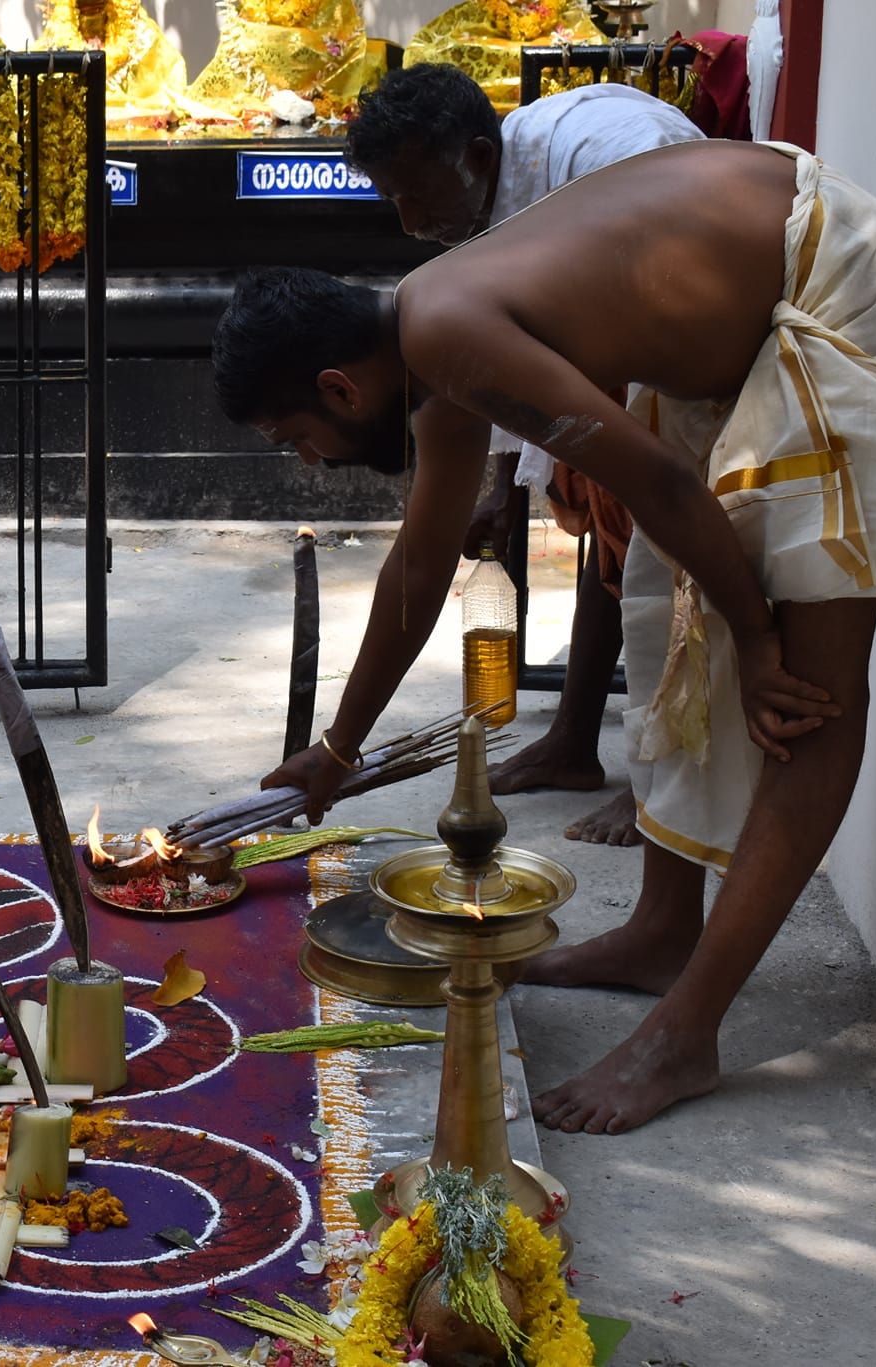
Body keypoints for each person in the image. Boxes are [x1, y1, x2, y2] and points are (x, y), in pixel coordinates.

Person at [212, 136, 876, 1134]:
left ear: (340, 388)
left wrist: (761, 641)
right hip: (750, 285)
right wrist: (336, 752)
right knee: (659, 606)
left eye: (297, 441)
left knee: (807, 697)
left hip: (833, 280)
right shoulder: (426, 333)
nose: (310, 462)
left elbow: (661, 482)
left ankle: (685, 1034)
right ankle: (659, 930)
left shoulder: (449, 331)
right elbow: (418, 570)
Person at [345, 63, 704, 846]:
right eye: (393, 203)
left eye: (415, 196)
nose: (408, 225)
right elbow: (512, 370)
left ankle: (658, 790)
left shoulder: (605, 163)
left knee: (649, 562)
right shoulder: (484, 209)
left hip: (690, 338)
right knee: (608, 546)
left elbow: (648, 321)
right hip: (617, 342)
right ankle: (576, 742)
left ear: (477, 157)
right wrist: (508, 485)